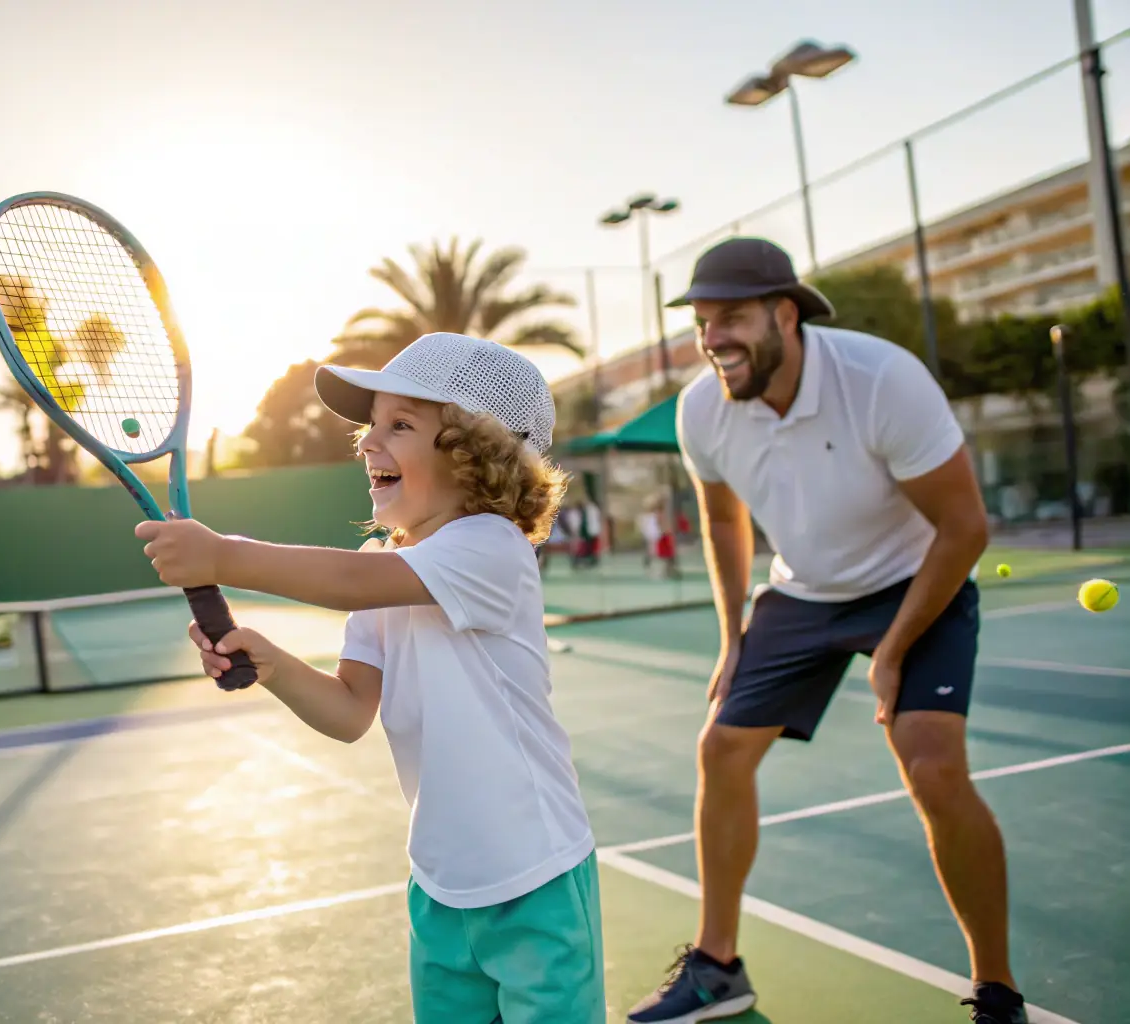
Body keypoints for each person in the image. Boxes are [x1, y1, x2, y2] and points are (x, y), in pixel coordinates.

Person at [137, 333, 605, 1024]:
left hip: (535, 879)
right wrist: (270, 662)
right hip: (440, 889)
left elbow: (351, 583)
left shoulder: (489, 548)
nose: (366, 443)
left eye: (400, 425)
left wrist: (221, 555)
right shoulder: (389, 565)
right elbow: (349, 710)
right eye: (370, 424)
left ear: (477, 457)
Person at [626, 237, 1026, 1024]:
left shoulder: (880, 380)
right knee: (720, 748)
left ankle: (997, 990)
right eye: (702, 323)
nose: (712, 341)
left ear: (784, 313)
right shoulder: (702, 408)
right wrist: (732, 635)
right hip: (802, 593)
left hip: (917, 579)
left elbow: (963, 527)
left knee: (933, 769)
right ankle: (717, 968)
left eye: (731, 319)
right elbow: (719, 518)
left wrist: (895, 650)